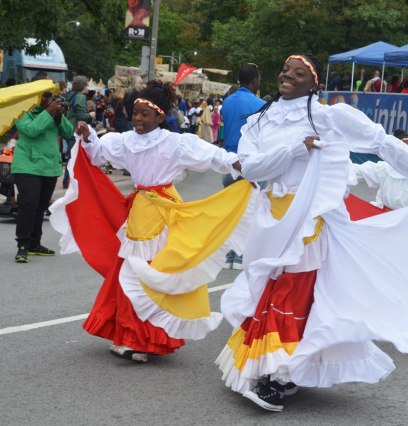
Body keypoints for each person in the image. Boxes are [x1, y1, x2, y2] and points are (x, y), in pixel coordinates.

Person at [215, 54, 408, 412]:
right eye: (284, 70)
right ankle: (281, 368)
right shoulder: (260, 121)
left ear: (314, 84)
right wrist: (296, 147)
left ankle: (271, 373)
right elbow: (250, 168)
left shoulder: (328, 117)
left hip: (310, 220)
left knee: (291, 293)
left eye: (298, 73)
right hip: (272, 217)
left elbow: (382, 143)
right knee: (268, 288)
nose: (287, 76)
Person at [50, 81, 252, 362]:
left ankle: (141, 339)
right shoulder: (125, 140)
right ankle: (137, 336)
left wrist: (246, 166)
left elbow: (214, 156)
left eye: (145, 114)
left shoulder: (175, 143)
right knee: (136, 271)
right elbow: (99, 155)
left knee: (145, 273)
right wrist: (87, 137)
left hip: (163, 209)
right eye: (135, 113)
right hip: (142, 208)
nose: (138, 119)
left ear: (160, 117)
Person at [13, 92, 74, 263]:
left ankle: (34, 243)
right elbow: (31, 131)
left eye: (53, 97)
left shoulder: (53, 114)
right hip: (27, 165)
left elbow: (69, 133)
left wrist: (59, 117)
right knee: (28, 204)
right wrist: (48, 112)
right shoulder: (23, 112)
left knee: (40, 206)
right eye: (47, 97)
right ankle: (23, 245)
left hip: (49, 167)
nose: (52, 100)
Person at [219, 63, 266, 269]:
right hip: (250, 164)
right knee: (250, 213)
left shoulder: (227, 102)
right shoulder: (261, 104)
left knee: (232, 213)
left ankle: (229, 255)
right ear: (254, 81)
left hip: (228, 163)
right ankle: (239, 256)